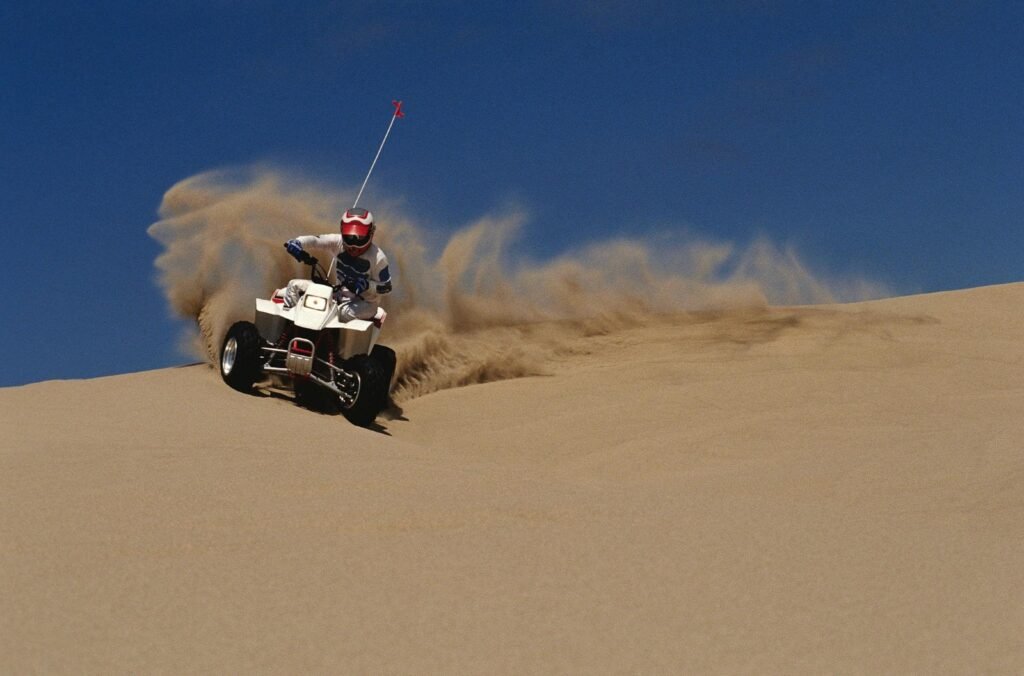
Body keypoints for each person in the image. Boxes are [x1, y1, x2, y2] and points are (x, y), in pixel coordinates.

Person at [281, 207, 393, 322]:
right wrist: (297, 242)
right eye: (349, 236)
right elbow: (315, 240)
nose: (353, 245)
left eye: (361, 237)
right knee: (293, 286)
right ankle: (287, 326)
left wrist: (367, 285)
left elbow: (387, 287)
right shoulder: (338, 242)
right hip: (338, 293)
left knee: (342, 314)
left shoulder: (378, 258)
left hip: (364, 303)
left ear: (371, 233)